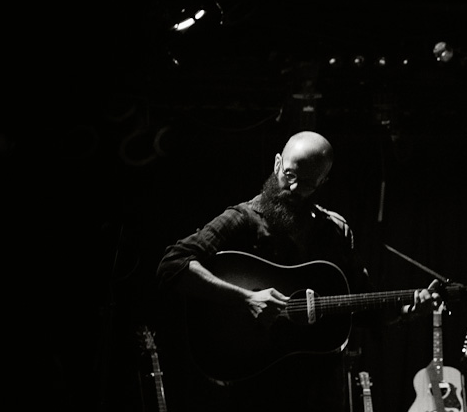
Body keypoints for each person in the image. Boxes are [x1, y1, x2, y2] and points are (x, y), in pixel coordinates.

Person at [156, 130, 439, 411]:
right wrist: (246, 298)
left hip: (321, 389)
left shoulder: (335, 231)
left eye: (306, 183)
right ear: (278, 162)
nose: (293, 188)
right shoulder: (244, 219)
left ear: (322, 182)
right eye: (289, 175)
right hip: (257, 384)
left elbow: (363, 305)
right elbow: (173, 264)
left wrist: (407, 313)